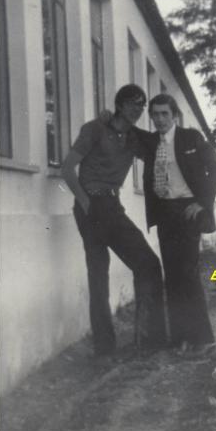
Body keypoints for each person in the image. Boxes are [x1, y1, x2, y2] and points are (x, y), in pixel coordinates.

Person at [61, 84, 167, 355]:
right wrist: (86, 203)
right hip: (91, 206)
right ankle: (105, 350)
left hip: (112, 205)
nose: (137, 109)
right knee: (99, 276)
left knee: (147, 264)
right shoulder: (94, 129)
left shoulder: (134, 138)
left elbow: (160, 146)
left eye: (141, 105)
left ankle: (147, 341)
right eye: (132, 103)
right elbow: (67, 167)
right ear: (119, 105)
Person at [139, 93, 216, 350]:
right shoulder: (151, 142)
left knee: (188, 273)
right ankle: (180, 339)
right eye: (155, 114)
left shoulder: (191, 138)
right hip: (165, 212)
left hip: (188, 211)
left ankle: (201, 338)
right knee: (172, 275)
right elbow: (127, 132)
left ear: (174, 115)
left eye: (164, 114)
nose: (159, 119)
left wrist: (202, 202)